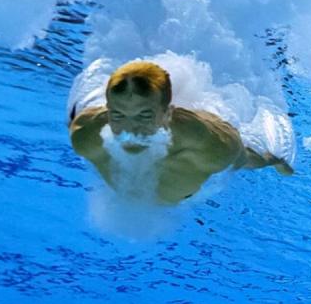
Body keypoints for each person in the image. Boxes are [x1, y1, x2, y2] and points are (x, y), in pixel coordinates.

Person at [69, 60, 293, 204]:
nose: (130, 128)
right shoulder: (85, 136)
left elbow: (244, 158)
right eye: (117, 115)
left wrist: (274, 160)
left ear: (167, 114)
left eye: (143, 117)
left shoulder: (209, 147)